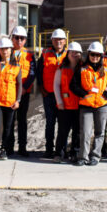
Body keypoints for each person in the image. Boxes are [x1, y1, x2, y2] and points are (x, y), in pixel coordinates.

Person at [70, 41, 107, 166]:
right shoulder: (82, 69)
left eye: (97, 55)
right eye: (92, 54)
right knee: (85, 132)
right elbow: (73, 85)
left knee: (100, 132)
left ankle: (95, 156)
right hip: (86, 105)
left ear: (101, 56)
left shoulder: (106, 70)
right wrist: (84, 94)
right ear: (88, 54)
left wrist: (106, 96)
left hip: (101, 105)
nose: (95, 57)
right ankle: (83, 157)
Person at [35, 28, 68, 159]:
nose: (58, 41)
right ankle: (49, 149)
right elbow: (39, 71)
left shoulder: (69, 54)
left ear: (65, 41)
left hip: (64, 96)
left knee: (63, 124)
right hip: (48, 94)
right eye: (56, 39)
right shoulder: (45, 53)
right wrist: (41, 88)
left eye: (61, 39)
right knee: (50, 123)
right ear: (52, 41)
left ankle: (62, 150)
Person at [6, 26, 35, 157]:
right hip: (9, 92)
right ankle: (9, 147)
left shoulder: (29, 55)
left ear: (25, 40)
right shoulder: (6, 52)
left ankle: (22, 147)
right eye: (16, 38)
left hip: (24, 93)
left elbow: (32, 73)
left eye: (22, 38)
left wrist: (24, 88)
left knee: (22, 120)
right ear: (12, 38)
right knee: (9, 120)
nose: (19, 40)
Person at [53, 42, 83, 163]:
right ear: (68, 54)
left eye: (77, 52)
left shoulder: (84, 68)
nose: (74, 54)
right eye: (72, 52)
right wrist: (59, 101)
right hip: (65, 106)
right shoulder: (61, 68)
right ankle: (59, 153)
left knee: (77, 131)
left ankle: (75, 153)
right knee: (63, 131)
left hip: (80, 105)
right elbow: (56, 85)